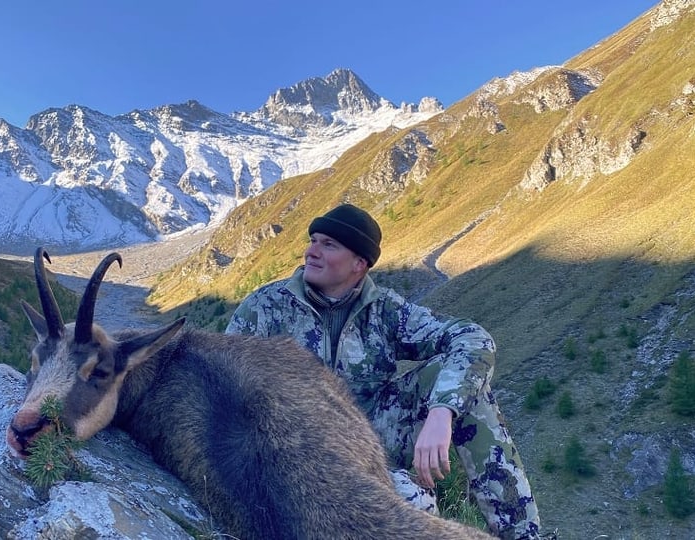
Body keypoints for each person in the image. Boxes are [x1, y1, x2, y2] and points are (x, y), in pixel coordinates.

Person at [225, 203, 541, 540]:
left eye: (328, 245)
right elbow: (226, 386)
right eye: (313, 240)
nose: (311, 252)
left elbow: (473, 338)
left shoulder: (387, 310)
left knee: (458, 383)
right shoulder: (265, 308)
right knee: (415, 509)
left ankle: (522, 535)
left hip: (372, 438)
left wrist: (441, 413)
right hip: (292, 448)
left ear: (359, 264)